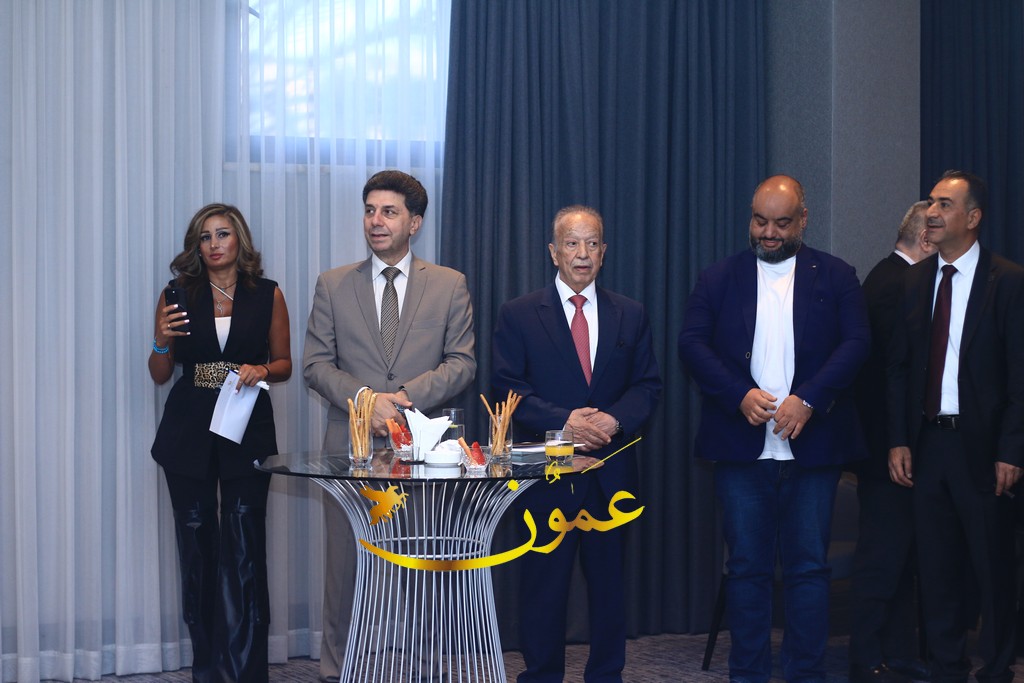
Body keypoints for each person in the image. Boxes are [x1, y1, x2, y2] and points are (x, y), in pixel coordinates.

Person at [678, 175, 870, 683]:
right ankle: (748, 675)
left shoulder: (837, 275)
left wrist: (808, 400)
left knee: (809, 569)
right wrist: (737, 393)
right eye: (759, 221)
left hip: (813, 449)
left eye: (781, 223)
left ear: (803, 219)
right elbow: (692, 343)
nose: (768, 233)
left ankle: (806, 674)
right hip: (741, 452)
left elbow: (856, 343)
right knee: (746, 569)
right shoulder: (718, 277)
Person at [302, 170, 476, 682]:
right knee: (344, 567)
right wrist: (366, 400)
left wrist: (401, 401)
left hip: (421, 450)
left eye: (389, 212)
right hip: (349, 449)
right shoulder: (333, 284)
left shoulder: (449, 284)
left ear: (414, 223)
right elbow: (315, 365)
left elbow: (462, 363)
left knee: (419, 560)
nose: (376, 221)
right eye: (370, 210)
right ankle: (338, 668)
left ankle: (423, 668)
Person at [491, 205, 662, 682]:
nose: (582, 253)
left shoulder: (630, 313)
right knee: (543, 587)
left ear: (604, 252)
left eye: (591, 244)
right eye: (571, 243)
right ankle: (541, 675)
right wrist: (564, 421)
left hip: (611, 472)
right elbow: (507, 388)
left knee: (609, 588)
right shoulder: (519, 314)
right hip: (547, 475)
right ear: (554, 252)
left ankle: (607, 674)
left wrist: (611, 420)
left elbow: (648, 386)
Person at [887, 170, 1024, 683]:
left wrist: (1012, 449)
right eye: (931, 203)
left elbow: (1020, 376)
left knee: (992, 569)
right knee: (937, 569)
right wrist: (899, 439)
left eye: (945, 204)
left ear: (973, 217)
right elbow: (899, 369)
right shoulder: (914, 280)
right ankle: (947, 668)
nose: (932, 213)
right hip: (927, 446)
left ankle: (996, 668)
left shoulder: (1008, 281)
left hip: (984, 449)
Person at [150, 203, 292, 683]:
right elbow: (160, 373)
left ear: (239, 240)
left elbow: (284, 364)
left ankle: (245, 670)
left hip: (246, 425)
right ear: (197, 245)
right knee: (196, 546)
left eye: (223, 234)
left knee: (245, 544)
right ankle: (207, 668)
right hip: (187, 429)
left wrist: (261, 368)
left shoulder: (267, 294)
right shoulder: (176, 293)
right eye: (205, 236)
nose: (214, 244)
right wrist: (161, 341)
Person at [847, 201, 934, 683]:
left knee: (901, 555)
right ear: (925, 240)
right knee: (882, 557)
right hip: (888, 449)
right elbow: (892, 377)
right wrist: (899, 443)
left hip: (892, 447)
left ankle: (898, 651)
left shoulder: (887, 277)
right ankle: (865, 657)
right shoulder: (897, 285)